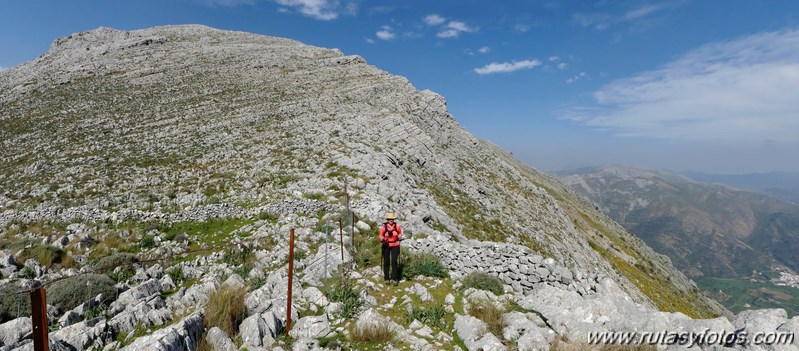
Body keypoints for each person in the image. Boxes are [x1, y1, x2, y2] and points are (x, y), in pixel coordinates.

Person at [380, 212, 403, 286]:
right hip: (386, 244)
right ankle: (386, 278)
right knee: (386, 261)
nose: (391, 220)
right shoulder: (384, 227)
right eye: (389, 219)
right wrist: (382, 238)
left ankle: (394, 278)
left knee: (394, 261)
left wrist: (400, 236)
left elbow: (400, 233)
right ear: (387, 219)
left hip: (395, 244)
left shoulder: (397, 226)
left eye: (392, 219)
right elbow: (380, 235)